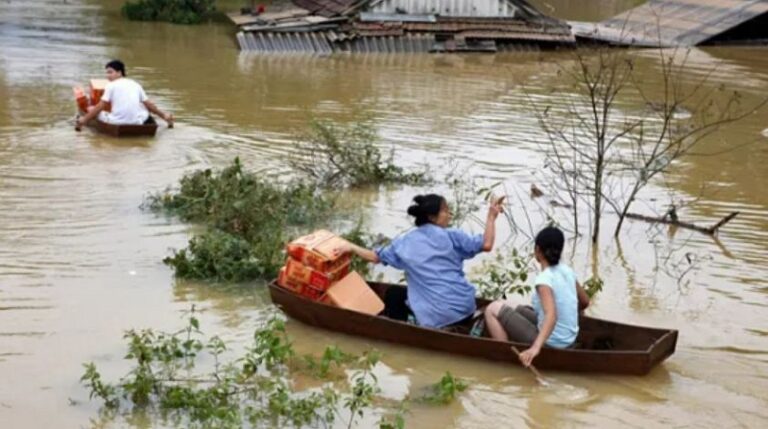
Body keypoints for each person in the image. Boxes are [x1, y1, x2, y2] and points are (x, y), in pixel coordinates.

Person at [336, 194, 504, 329]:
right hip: (466, 307)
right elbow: (487, 244)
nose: (449, 214)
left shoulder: (405, 242)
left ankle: (401, 332)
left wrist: (350, 247)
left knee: (393, 295)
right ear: (432, 217)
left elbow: (374, 257)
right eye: (445, 210)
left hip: (439, 315)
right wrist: (491, 216)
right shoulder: (453, 236)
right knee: (404, 294)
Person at [484, 226, 590, 367]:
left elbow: (551, 316)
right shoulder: (567, 271)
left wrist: (535, 348)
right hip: (568, 339)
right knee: (508, 304)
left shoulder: (544, 279)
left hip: (551, 343)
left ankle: (506, 359)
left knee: (491, 308)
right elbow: (584, 302)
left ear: (538, 251)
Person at [76, 60, 173, 128]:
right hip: (137, 122)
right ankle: (165, 118)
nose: (107, 75)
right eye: (107, 73)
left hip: (116, 122)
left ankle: (86, 123)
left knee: (91, 108)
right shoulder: (135, 84)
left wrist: (84, 119)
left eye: (110, 72)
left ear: (119, 73)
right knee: (145, 106)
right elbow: (149, 105)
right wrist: (164, 115)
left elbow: (100, 106)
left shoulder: (111, 85)